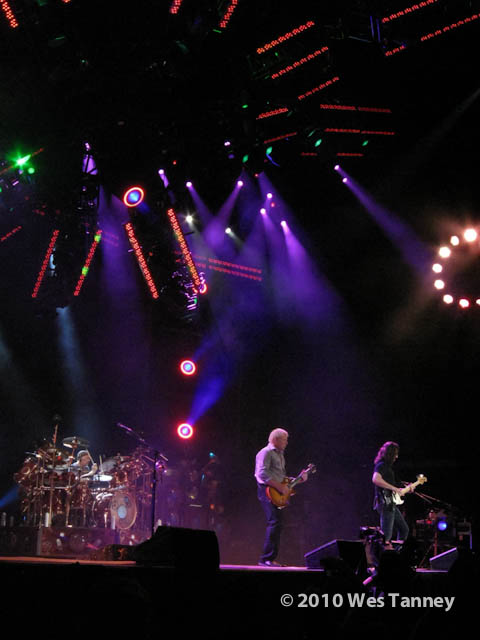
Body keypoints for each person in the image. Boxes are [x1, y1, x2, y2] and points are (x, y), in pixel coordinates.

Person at [255, 428, 307, 567]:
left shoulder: (280, 455)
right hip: (267, 491)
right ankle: (265, 559)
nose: (286, 442)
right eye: (284, 440)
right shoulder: (265, 452)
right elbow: (261, 474)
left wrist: (299, 479)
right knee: (274, 522)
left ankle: (270, 558)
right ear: (276, 439)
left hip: (275, 490)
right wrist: (279, 486)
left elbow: (280, 478)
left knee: (278, 523)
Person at [372, 441, 412, 549]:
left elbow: (390, 485)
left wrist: (404, 488)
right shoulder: (382, 465)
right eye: (395, 454)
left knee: (404, 530)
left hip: (390, 502)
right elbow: (375, 479)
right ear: (390, 454)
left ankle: (396, 553)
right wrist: (395, 489)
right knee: (386, 536)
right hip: (386, 502)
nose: (397, 457)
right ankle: (383, 556)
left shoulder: (387, 468)